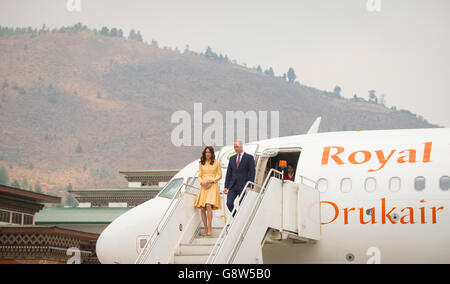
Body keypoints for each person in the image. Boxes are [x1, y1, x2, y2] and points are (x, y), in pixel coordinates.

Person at [194, 146, 222, 236]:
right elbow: (199, 175)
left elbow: (220, 175)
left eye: (209, 152)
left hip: (212, 185)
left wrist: (213, 180)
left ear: (212, 153)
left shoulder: (216, 163)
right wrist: (201, 182)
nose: (207, 154)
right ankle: (205, 228)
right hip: (204, 185)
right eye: (206, 152)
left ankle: (210, 226)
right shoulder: (201, 163)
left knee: (208, 205)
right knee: (202, 208)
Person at [223, 140, 255, 215]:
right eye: (234, 147)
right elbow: (229, 173)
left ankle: (240, 219)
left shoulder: (249, 158)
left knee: (242, 205)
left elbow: (252, 172)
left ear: (241, 146)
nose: (235, 149)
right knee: (229, 203)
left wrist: (250, 185)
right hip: (233, 186)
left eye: (237, 147)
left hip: (244, 185)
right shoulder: (232, 158)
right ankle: (236, 216)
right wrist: (226, 186)